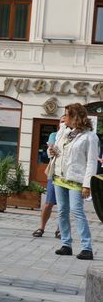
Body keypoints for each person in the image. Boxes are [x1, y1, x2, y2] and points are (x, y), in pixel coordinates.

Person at [51, 103, 98, 260]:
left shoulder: (90, 137)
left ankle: (87, 247)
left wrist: (87, 185)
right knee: (62, 211)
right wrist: (51, 151)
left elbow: (92, 163)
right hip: (59, 177)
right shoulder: (63, 132)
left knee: (77, 212)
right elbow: (58, 151)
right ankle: (66, 245)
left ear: (75, 117)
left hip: (76, 180)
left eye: (67, 115)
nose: (64, 118)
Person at [32, 116, 64, 238]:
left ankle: (59, 230)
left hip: (67, 174)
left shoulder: (73, 136)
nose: (63, 124)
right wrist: (50, 150)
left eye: (65, 121)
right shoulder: (54, 135)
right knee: (48, 203)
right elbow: (49, 150)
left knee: (63, 205)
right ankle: (41, 227)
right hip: (54, 172)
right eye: (61, 122)